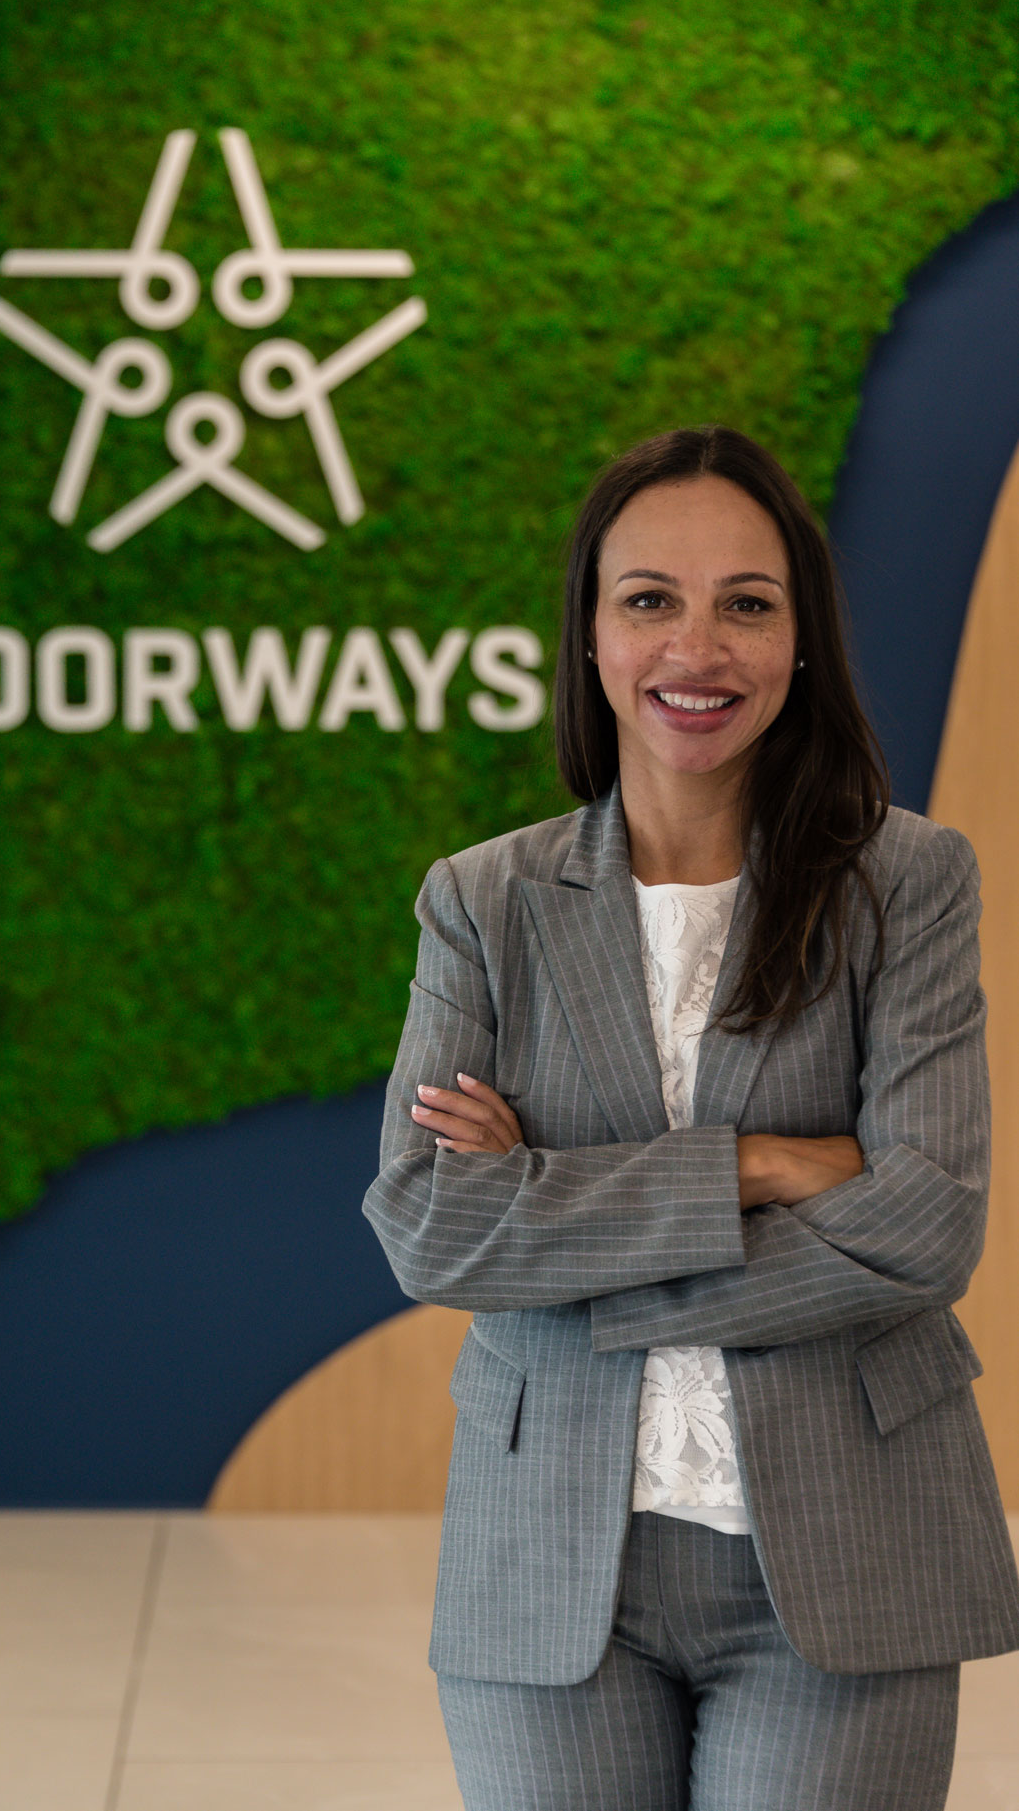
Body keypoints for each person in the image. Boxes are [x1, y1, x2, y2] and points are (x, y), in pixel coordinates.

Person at [362, 425, 1019, 1811]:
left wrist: (563, 1234)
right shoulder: (481, 903)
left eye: (747, 604)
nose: (696, 648)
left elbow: (924, 1224)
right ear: (591, 634)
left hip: (850, 1544)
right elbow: (431, 1225)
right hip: (549, 1559)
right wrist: (757, 1166)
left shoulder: (907, 881)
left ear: (801, 639)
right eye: (650, 598)